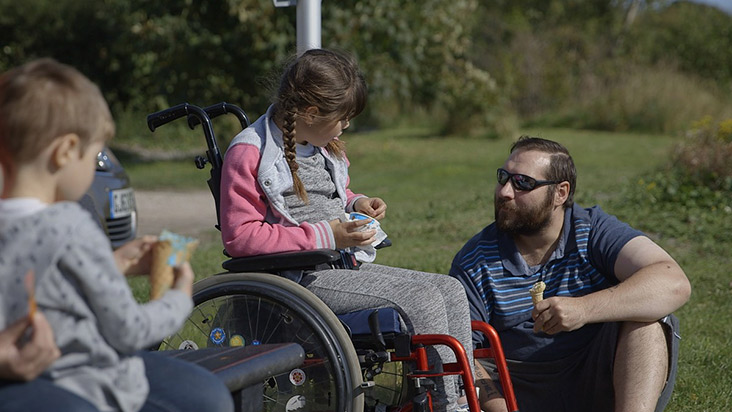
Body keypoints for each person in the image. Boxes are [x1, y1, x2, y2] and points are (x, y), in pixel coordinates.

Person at [219, 48, 474, 411]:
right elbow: (240, 237)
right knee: (423, 300)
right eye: (344, 118)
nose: (347, 126)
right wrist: (328, 236)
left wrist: (356, 203)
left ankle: (462, 397)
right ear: (310, 113)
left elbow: (332, 195)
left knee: (450, 288)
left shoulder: (320, 146)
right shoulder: (250, 153)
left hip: (339, 265)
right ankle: (446, 405)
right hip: (298, 278)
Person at [0, 58, 233, 412]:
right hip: (94, 386)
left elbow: (34, 282)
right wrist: (180, 295)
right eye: (94, 155)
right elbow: (130, 330)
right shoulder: (71, 225)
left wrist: (109, 264)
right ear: (64, 151)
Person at [449, 136, 692, 412]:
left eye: (522, 183)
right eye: (503, 177)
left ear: (560, 193)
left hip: (598, 377)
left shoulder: (592, 231)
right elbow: (465, 351)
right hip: (517, 389)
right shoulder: (474, 259)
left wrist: (584, 309)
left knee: (649, 318)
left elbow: (673, 281)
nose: (505, 191)